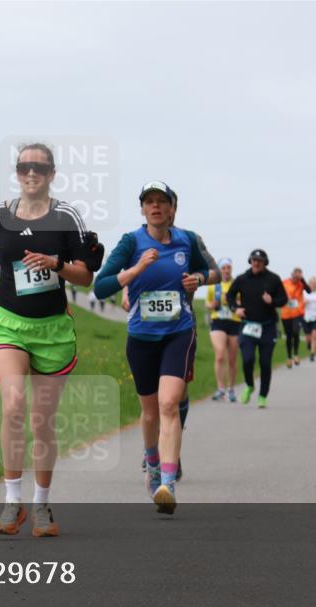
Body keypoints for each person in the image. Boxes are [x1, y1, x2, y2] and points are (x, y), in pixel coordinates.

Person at [0, 143, 102, 537]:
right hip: (7, 323)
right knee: (13, 404)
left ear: (52, 174)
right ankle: (12, 504)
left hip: (53, 331)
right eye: (24, 166)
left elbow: (85, 276)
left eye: (39, 168)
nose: (31, 173)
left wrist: (56, 264)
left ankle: (41, 504)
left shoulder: (66, 216)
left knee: (42, 421)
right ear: (17, 171)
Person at [94, 181, 211, 515]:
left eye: (162, 201)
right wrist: (136, 270)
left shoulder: (186, 240)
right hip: (142, 338)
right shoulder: (131, 242)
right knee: (149, 412)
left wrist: (198, 280)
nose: (156, 206)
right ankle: (153, 461)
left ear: (173, 208)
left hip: (179, 332)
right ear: (142, 209)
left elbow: (204, 269)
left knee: (169, 405)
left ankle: (168, 484)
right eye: (149, 202)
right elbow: (101, 286)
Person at [226, 249, 288, 408]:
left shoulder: (273, 279)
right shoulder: (242, 278)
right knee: (248, 359)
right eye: (254, 260)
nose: (256, 263)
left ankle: (262, 395)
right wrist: (236, 308)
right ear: (250, 261)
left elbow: (283, 299)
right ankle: (249, 384)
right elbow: (230, 295)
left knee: (265, 363)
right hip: (248, 326)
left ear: (265, 262)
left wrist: (272, 301)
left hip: (268, 327)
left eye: (259, 260)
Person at [205, 258, 241, 401]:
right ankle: (220, 388)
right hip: (218, 321)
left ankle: (231, 388)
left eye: (228, 267)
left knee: (232, 359)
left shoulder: (237, 284)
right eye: (224, 267)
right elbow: (208, 303)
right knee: (220, 355)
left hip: (234, 322)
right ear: (220, 270)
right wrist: (212, 304)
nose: (226, 270)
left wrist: (234, 302)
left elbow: (243, 302)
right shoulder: (214, 285)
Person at [279, 267, 311, 368]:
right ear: (292, 274)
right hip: (286, 313)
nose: (297, 278)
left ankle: (296, 355)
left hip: (298, 313)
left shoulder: (301, 284)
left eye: (299, 276)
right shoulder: (284, 282)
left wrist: (303, 279)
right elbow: (277, 292)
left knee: (296, 332)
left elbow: (309, 291)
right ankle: (289, 357)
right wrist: (284, 297)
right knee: (289, 336)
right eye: (296, 275)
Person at [302, 276, 316, 362]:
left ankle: (312, 354)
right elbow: (301, 304)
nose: (314, 285)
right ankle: (309, 344)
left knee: (314, 336)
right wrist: (304, 302)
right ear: (309, 284)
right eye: (312, 283)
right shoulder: (304, 292)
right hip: (306, 317)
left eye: (315, 284)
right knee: (308, 337)